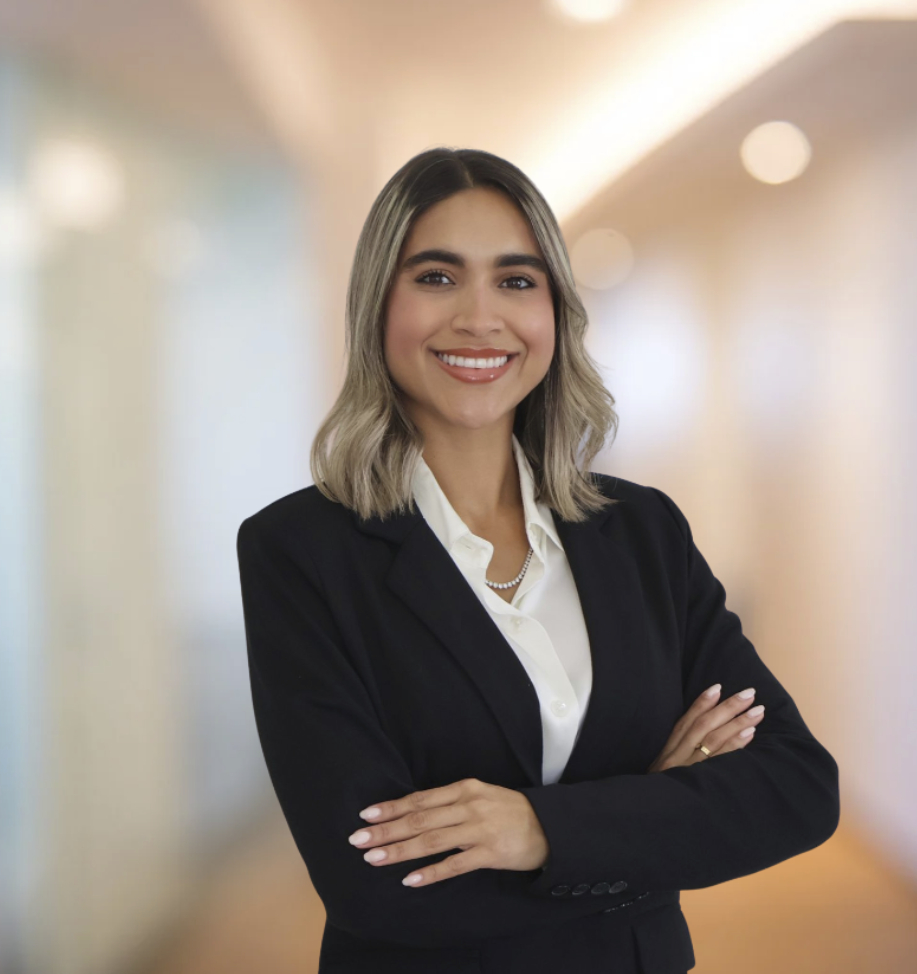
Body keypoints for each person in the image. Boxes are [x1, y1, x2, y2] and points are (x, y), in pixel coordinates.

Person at [236, 147, 840, 974]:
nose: (481, 318)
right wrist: (648, 817)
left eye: (516, 281)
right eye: (437, 277)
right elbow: (375, 882)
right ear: (378, 305)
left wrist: (537, 830)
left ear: (556, 310)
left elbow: (796, 789)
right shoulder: (299, 553)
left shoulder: (643, 532)